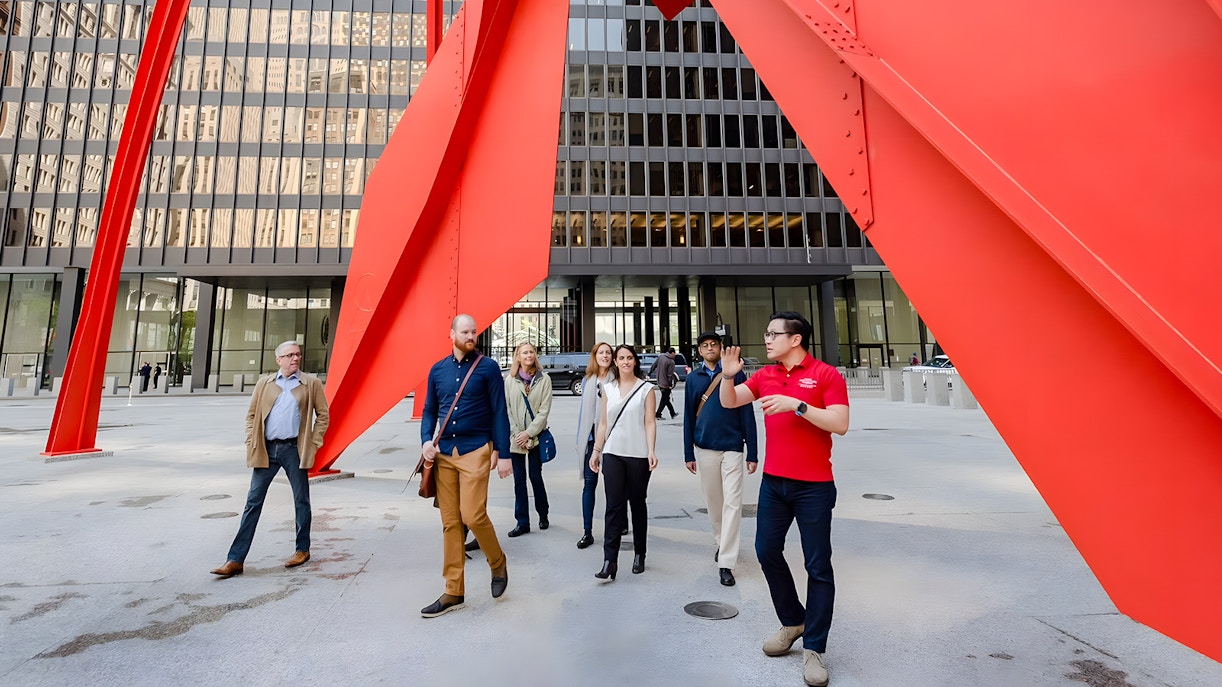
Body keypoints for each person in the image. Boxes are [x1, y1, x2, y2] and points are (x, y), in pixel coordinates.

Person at [718, 312, 849, 687]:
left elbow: (840, 423)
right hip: (775, 484)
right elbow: (731, 402)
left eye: (774, 333)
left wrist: (798, 405)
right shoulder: (765, 375)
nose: (768, 339)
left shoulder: (826, 374)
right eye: (767, 332)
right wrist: (728, 376)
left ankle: (815, 648)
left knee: (818, 565)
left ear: (796, 339)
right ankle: (794, 621)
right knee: (766, 551)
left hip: (814, 486)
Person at [418, 314, 512, 617]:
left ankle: (497, 563)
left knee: (473, 514)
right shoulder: (437, 370)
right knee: (450, 522)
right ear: (452, 334)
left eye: (474, 331)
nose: (471, 336)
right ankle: (453, 591)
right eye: (465, 331)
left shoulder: (488, 368)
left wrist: (504, 452)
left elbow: (499, 411)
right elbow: (430, 409)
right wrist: (425, 442)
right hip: (444, 453)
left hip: (476, 450)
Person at [210, 341, 329, 579]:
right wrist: (250, 442)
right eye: (290, 355)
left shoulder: (311, 384)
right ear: (279, 360)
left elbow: (323, 416)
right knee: (253, 502)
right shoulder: (265, 383)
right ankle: (235, 559)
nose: (295, 358)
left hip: (294, 449)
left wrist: (313, 444)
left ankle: (302, 549)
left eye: (298, 354)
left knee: (301, 500)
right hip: (267, 449)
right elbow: (251, 415)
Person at [683, 331, 758, 587]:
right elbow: (688, 418)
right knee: (714, 502)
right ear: (700, 351)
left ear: (721, 347)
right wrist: (687, 453)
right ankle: (720, 540)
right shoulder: (693, 378)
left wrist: (753, 452)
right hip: (705, 448)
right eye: (704, 346)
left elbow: (747, 412)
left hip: (733, 447)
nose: (710, 348)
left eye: (714, 344)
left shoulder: (736, 374)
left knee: (733, 503)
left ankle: (726, 562)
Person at [589, 345, 658, 580]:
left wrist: (651, 450)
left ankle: (640, 553)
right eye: (621, 358)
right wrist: (596, 450)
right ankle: (610, 560)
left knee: (637, 504)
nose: (625, 362)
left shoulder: (646, 389)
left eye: (630, 358)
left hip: (638, 453)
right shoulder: (607, 388)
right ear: (615, 363)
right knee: (613, 506)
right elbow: (604, 423)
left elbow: (650, 422)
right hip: (613, 453)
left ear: (635, 362)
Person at [503, 342, 552, 537]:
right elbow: (506, 410)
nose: (528, 355)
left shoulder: (543, 379)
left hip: (535, 437)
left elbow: (544, 410)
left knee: (535, 477)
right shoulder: (510, 380)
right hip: (516, 439)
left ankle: (543, 513)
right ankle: (522, 522)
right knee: (519, 481)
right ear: (518, 356)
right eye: (524, 352)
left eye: (531, 351)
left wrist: (529, 433)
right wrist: (517, 434)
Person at [574, 342, 614, 549]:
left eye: (608, 352)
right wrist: (579, 440)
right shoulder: (588, 379)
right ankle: (587, 531)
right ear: (594, 356)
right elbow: (583, 413)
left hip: (611, 441)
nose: (605, 356)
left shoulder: (616, 380)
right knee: (589, 485)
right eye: (601, 352)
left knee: (614, 487)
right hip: (589, 441)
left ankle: (618, 524)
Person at [649, 347, 678, 420]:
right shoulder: (671, 362)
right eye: (675, 354)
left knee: (666, 398)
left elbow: (654, 365)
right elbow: (670, 375)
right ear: (672, 353)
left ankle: (672, 413)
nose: (675, 355)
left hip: (659, 381)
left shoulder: (661, 357)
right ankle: (658, 414)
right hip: (665, 384)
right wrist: (669, 385)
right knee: (664, 399)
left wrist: (649, 373)